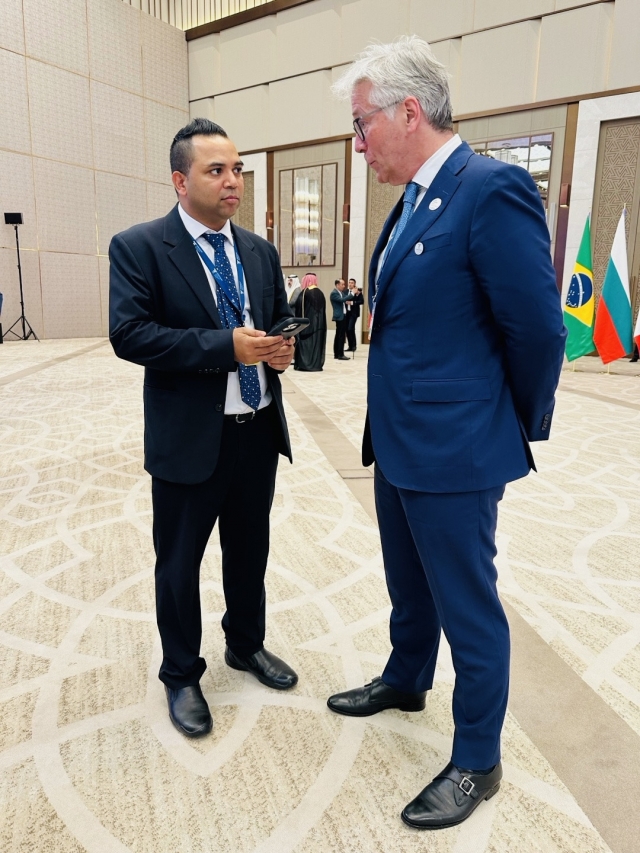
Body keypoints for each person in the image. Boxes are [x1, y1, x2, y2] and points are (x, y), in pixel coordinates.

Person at [328, 37, 566, 830]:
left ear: (408, 110)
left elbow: (536, 332)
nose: (357, 144)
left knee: (469, 606)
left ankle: (477, 758)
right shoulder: (415, 199)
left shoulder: (489, 189)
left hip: (458, 449)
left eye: (361, 125)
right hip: (398, 442)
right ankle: (405, 675)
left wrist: (509, 426)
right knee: (408, 582)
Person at [109, 118, 298, 740]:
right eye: (216, 170)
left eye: (237, 169)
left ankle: (245, 645)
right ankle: (182, 673)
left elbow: (272, 321)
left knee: (250, 551)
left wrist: (277, 350)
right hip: (190, 438)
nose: (233, 181)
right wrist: (226, 346)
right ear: (180, 180)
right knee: (180, 562)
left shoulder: (259, 251)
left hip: (255, 429)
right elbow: (130, 335)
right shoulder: (139, 247)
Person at [293, 273, 327, 371]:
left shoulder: (305, 292)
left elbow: (299, 309)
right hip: (320, 325)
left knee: (307, 345)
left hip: (307, 326)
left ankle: (305, 365)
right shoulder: (320, 292)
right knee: (316, 346)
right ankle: (316, 365)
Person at [330, 278, 351, 360]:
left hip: (343, 316)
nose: (344, 286)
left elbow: (346, 298)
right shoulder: (334, 293)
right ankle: (340, 354)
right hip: (339, 316)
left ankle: (337, 353)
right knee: (340, 336)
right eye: (342, 284)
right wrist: (352, 293)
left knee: (339, 335)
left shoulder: (340, 293)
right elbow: (342, 300)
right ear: (337, 285)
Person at [345, 278, 364, 352]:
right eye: (349, 282)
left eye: (352, 283)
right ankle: (350, 346)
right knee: (347, 329)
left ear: (354, 284)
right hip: (347, 313)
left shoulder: (358, 292)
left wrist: (353, 303)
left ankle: (354, 346)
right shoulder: (346, 291)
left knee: (350, 328)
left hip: (354, 313)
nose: (350, 284)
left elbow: (361, 301)